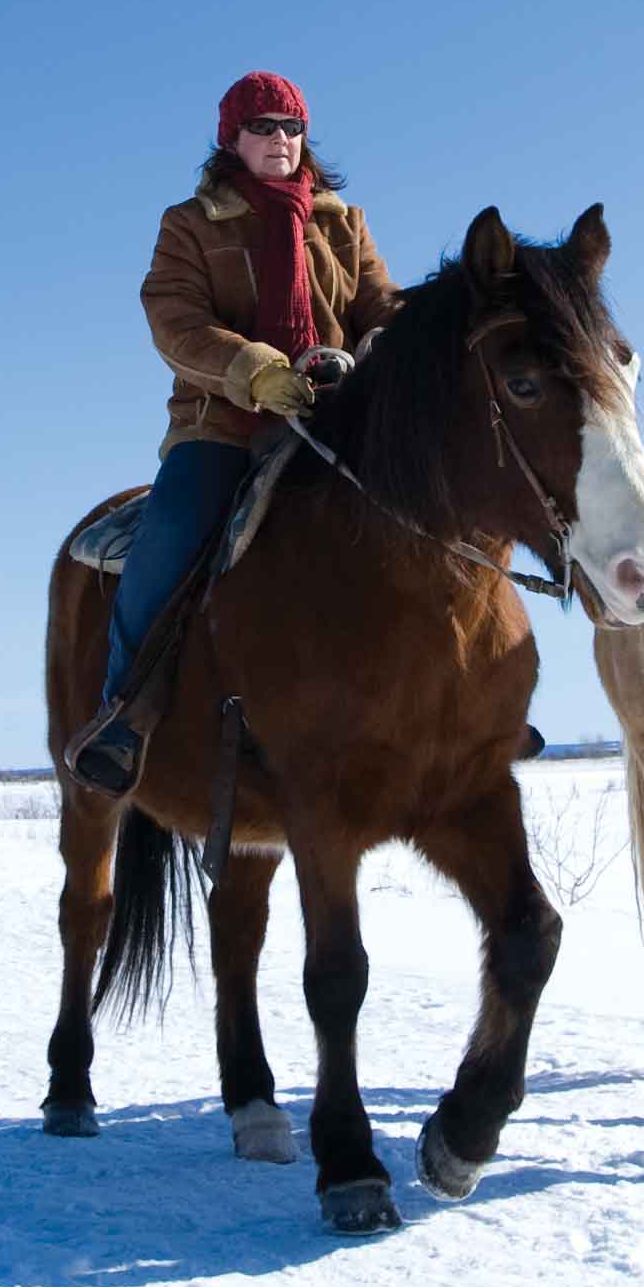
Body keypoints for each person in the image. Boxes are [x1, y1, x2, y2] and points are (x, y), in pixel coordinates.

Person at [72, 70, 404, 793]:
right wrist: (255, 370)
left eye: (291, 128)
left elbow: (383, 307)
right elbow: (175, 320)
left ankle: (459, 704)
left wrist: (380, 351)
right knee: (175, 531)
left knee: (427, 514)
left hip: (337, 422)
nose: (280, 141)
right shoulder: (189, 224)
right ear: (232, 139)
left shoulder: (342, 223)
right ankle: (126, 713)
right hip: (221, 421)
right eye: (263, 127)